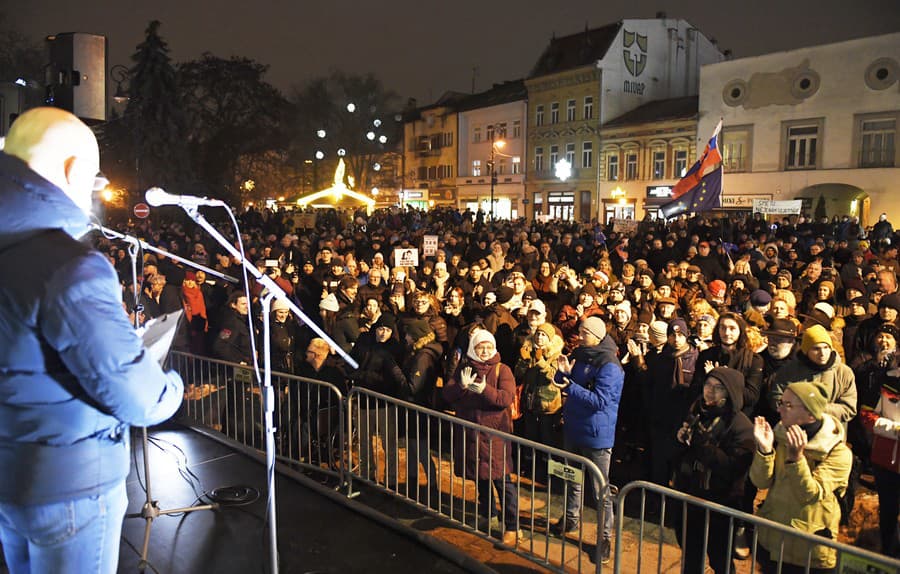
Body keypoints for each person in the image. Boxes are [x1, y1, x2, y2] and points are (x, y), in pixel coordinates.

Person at [0, 107, 184, 573]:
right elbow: (139, 397)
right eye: (93, 178)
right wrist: (170, 388)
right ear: (70, 170)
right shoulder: (70, 265)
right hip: (70, 485)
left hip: (12, 472)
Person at [751, 382, 853, 573]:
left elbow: (809, 494)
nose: (779, 408)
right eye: (781, 402)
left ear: (810, 414)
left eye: (788, 405)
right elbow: (761, 481)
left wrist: (796, 459)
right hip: (773, 540)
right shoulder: (781, 435)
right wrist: (764, 451)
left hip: (808, 549)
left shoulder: (838, 453)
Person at [550, 316, 623, 564]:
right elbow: (568, 384)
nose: (580, 337)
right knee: (572, 479)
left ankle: (604, 539)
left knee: (600, 491)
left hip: (596, 435)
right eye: (580, 332)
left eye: (584, 333)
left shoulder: (610, 365)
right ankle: (571, 518)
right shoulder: (581, 355)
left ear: (597, 335)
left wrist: (570, 386)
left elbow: (600, 401)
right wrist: (562, 374)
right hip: (574, 428)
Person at [443, 329, 522, 547]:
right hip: (470, 434)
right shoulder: (464, 368)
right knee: (480, 476)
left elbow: (505, 398)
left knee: (502, 482)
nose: (485, 351)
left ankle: (512, 527)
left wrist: (485, 389)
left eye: (488, 346)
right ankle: (488, 513)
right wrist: (461, 386)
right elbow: (447, 394)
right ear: (473, 349)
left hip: (494, 436)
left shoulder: (501, 369)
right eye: (480, 347)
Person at [672, 367, 755, 574]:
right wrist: (682, 440)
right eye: (708, 385)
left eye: (719, 388)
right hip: (691, 497)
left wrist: (703, 445)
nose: (710, 391)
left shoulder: (740, 426)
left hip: (720, 504)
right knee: (691, 556)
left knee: (720, 559)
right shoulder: (698, 411)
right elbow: (685, 454)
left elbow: (734, 468)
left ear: (731, 392)